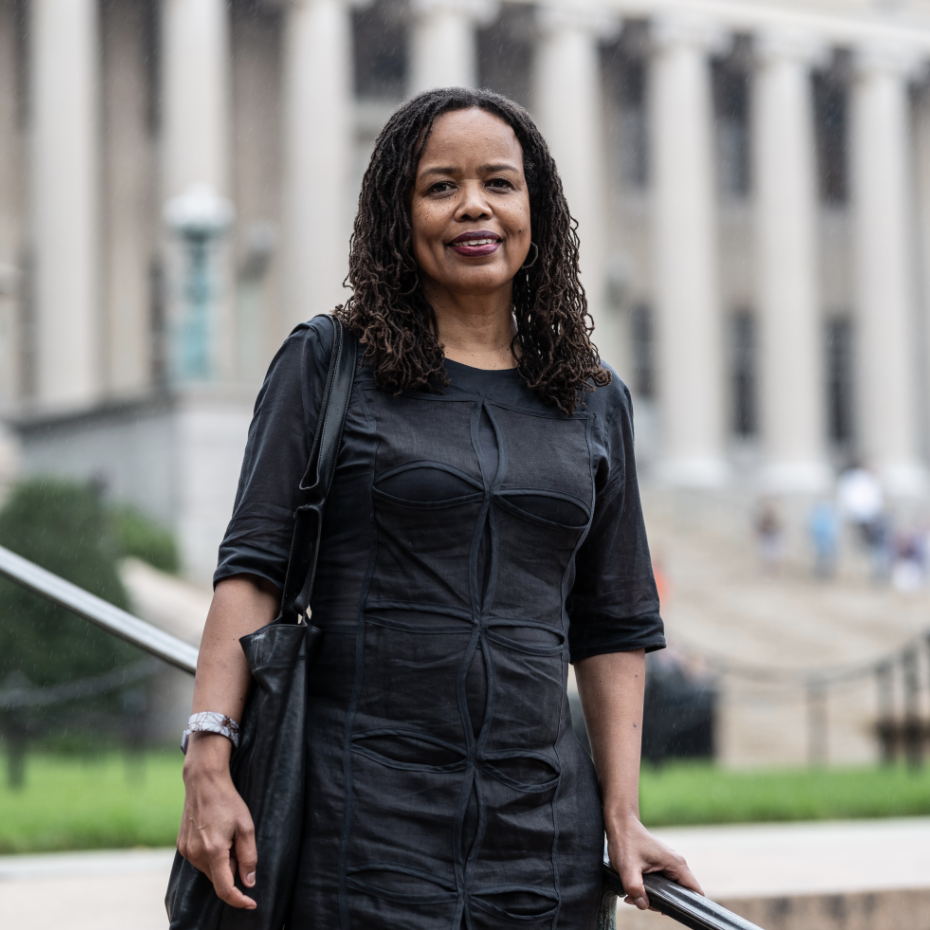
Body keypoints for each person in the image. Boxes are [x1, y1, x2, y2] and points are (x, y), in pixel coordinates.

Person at [177, 88, 701, 929]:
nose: (474, 208)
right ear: (399, 213)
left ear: (537, 208)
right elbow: (252, 573)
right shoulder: (328, 362)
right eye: (439, 187)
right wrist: (209, 758)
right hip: (357, 822)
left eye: (500, 182)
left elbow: (612, 623)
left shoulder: (595, 401)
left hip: (541, 838)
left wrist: (622, 814)